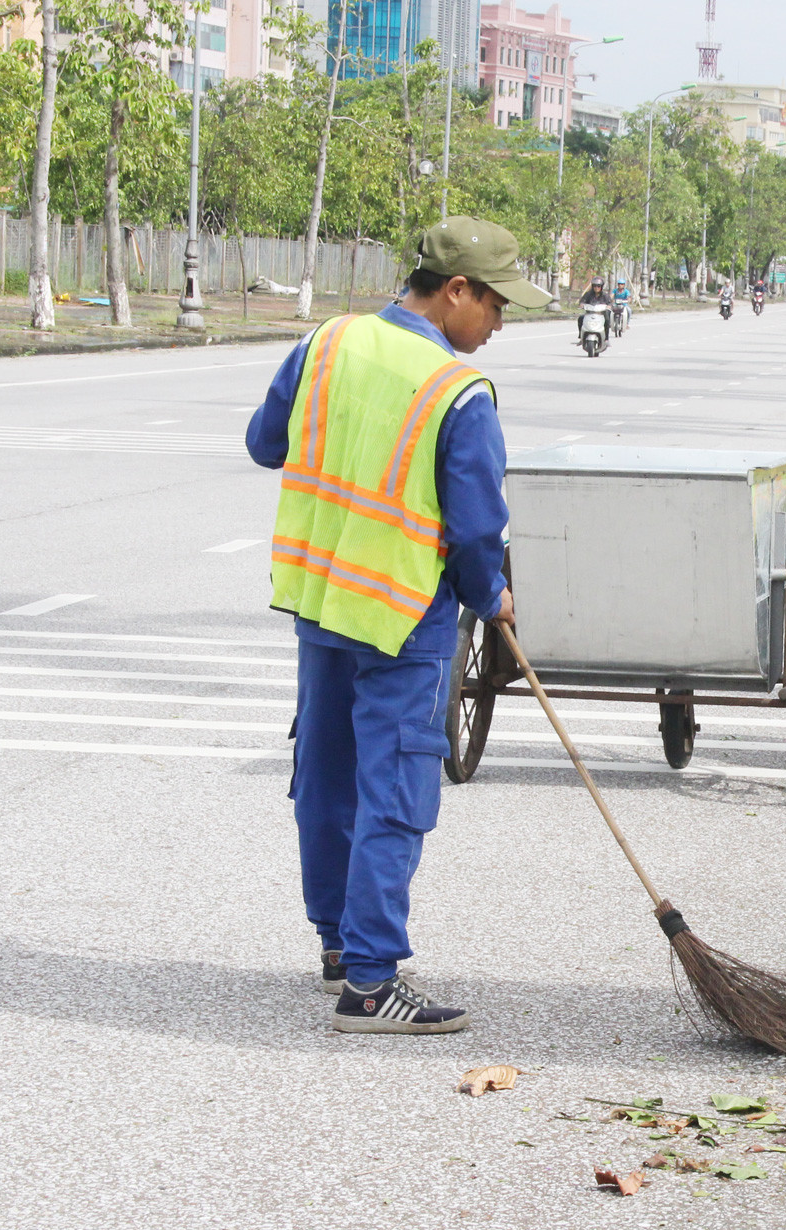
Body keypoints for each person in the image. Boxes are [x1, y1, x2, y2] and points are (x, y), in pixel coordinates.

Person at [245, 217, 551, 1034]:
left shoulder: (327, 343)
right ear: (456, 291)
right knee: (396, 787)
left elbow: (264, 444)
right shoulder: (457, 392)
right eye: (495, 306)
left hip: (319, 596)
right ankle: (374, 982)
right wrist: (492, 598)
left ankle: (340, 946)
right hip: (402, 614)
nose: (498, 324)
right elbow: (478, 526)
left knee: (327, 771)